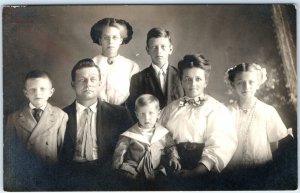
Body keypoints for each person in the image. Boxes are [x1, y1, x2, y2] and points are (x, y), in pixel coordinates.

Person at [159, 54, 237, 180]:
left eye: (198, 79)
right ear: (181, 81)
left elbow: (221, 143)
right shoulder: (170, 109)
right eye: (188, 79)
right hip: (173, 165)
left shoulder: (216, 109)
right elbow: (158, 136)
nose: (193, 84)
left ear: (205, 82)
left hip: (204, 169)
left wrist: (198, 171)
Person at [59, 58, 133, 190]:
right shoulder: (60, 116)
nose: (88, 84)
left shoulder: (120, 114)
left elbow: (131, 150)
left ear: (100, 83)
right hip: (71, 179)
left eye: (93, 79)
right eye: (82, 80)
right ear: (73, 84)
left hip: (108, 177)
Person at [5, 70, 68, 190]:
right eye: (33, 89)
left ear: (51, 92)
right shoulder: (13, 118)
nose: (37, 93)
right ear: (26, 93)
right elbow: (10, 152)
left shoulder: (60, 116)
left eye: (42, 89)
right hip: (25, 176)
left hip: (51, 175)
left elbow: (63, 151)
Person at [224, 63, 293, 168]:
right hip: (234, 170)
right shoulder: (227, 112)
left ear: (258, 84)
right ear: (233, 85)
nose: (246, 87)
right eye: (240, 83)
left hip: (261, 169)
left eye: (251, 82)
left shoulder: (267, 111)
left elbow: (274, 145)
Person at [112, 94, 181, 182]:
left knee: (162, 181)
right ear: (136, 115)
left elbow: (170, 147)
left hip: (154, 169)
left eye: (151, 113)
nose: (147, 118)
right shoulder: (129, 134)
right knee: (128, 179)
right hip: (133, 169)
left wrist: (173, 157)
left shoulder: (163, 133)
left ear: (158, 114)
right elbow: (119, 152)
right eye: (142, 114)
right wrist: (117, 168)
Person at [127, 27, 184, 121]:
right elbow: (134, 110)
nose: (159, 51)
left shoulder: (181, 75)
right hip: (150, 131)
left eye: (163, 47)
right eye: (154, 47)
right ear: (147, 50)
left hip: (177, 128)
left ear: (170, 49)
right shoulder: (137, 79)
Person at [90, 18, 139, 105]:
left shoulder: (131, 66)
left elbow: (135, 96)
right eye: (106, 38)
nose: (110, 42)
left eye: (115, 37)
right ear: (100, 40)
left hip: (123, 111)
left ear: (121, 40)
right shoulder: (91, 64)